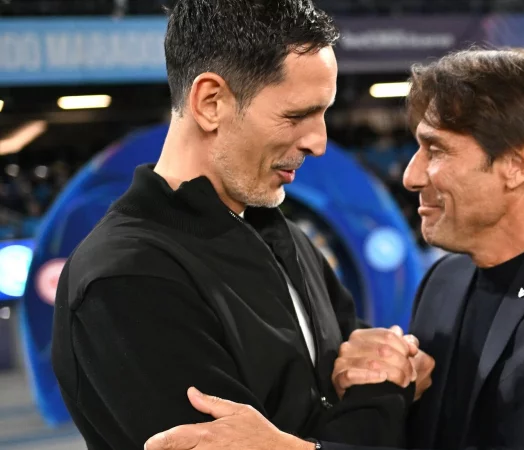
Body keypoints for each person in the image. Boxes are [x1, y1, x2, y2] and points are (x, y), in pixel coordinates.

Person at [145, 47, 524, 450]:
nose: (411, 175)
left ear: (517, 163)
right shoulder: (446, 281)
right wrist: (383, 387)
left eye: (436, 150)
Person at [50, 1, 434, 449]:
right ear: (211, 102)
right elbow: (372, 396)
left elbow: (356, 364)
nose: (320, 142)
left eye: (324, 113)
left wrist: (386, 363)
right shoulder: (126, 278)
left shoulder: (286, 238)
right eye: (296, 116)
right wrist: (384, 391)